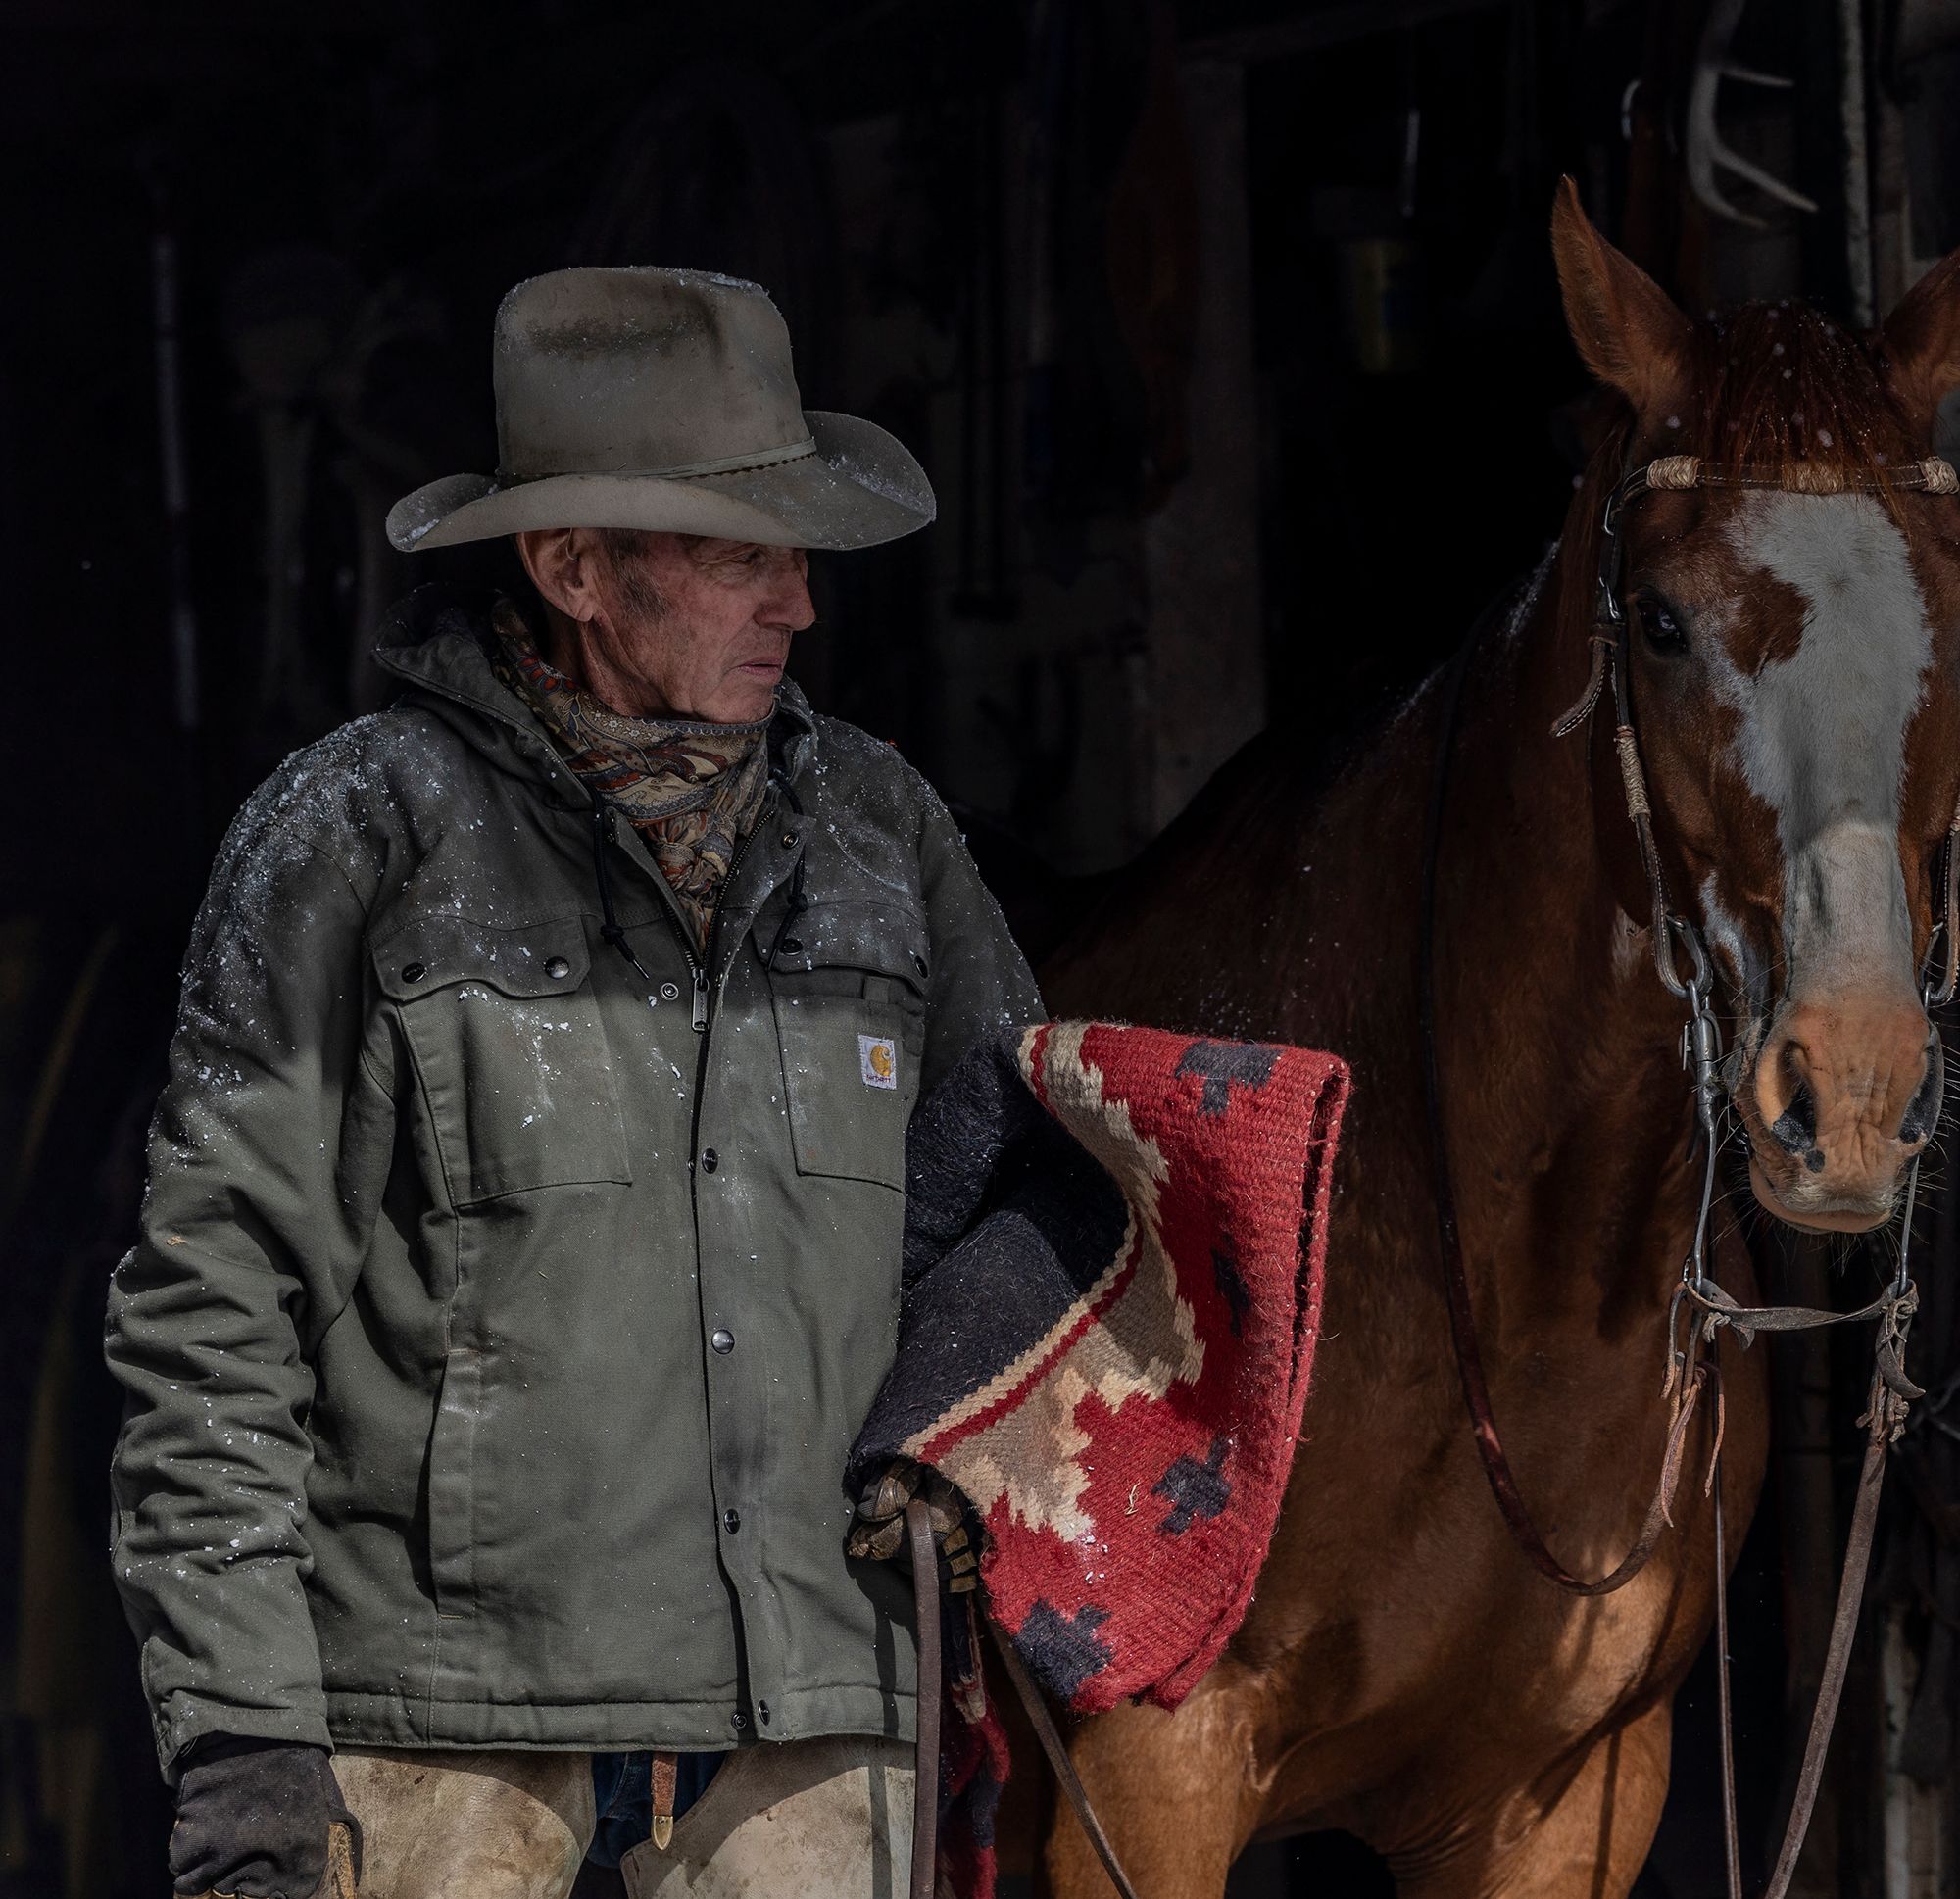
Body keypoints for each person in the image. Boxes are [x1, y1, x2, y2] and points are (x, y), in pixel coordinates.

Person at [106, 265, 1042, 1899]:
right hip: (447, 1737)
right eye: (743, 553)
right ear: (572, 565)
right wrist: (244, 1741)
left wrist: (962, 1435)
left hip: (810, 1728)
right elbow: (211, 1319)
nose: (798, 605)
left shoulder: (882, 839)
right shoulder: (358, 842)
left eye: (798, 556)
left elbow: (1037, 1194)